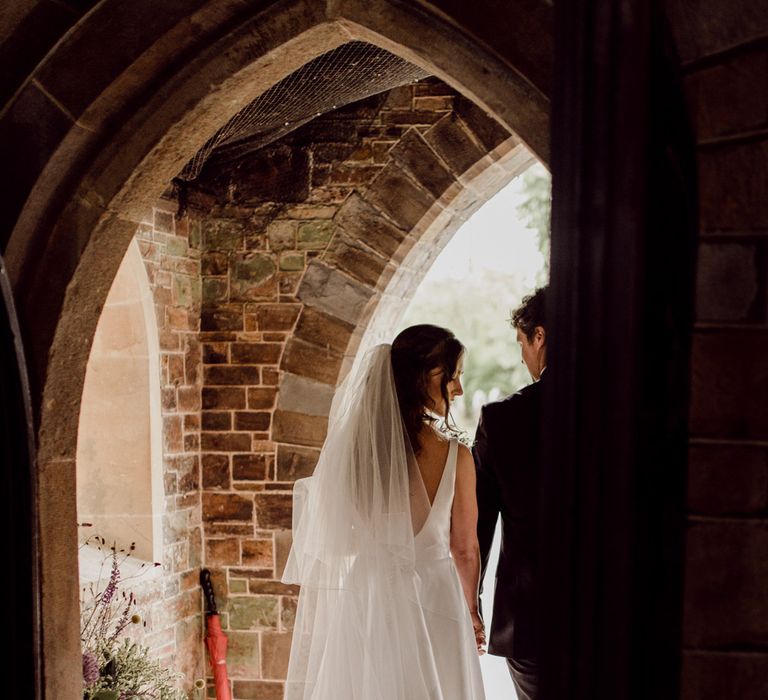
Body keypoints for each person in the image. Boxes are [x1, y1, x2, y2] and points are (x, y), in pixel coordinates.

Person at [282, 324, 486, 700]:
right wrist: (471, 610)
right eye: (451, 377)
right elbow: (465, 548)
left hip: (370, 592)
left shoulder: (358, 454)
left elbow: (342, 537)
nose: (457, 389)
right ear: (422, 377)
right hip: (437, 596)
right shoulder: (456, 456)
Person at [473, 287, 548, 700]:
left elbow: (479, 524)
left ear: (540, 336)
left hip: (529, 615)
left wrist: (472, 602)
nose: (523, 356)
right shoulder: (627, 409)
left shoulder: (502, 420)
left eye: (523, 343)